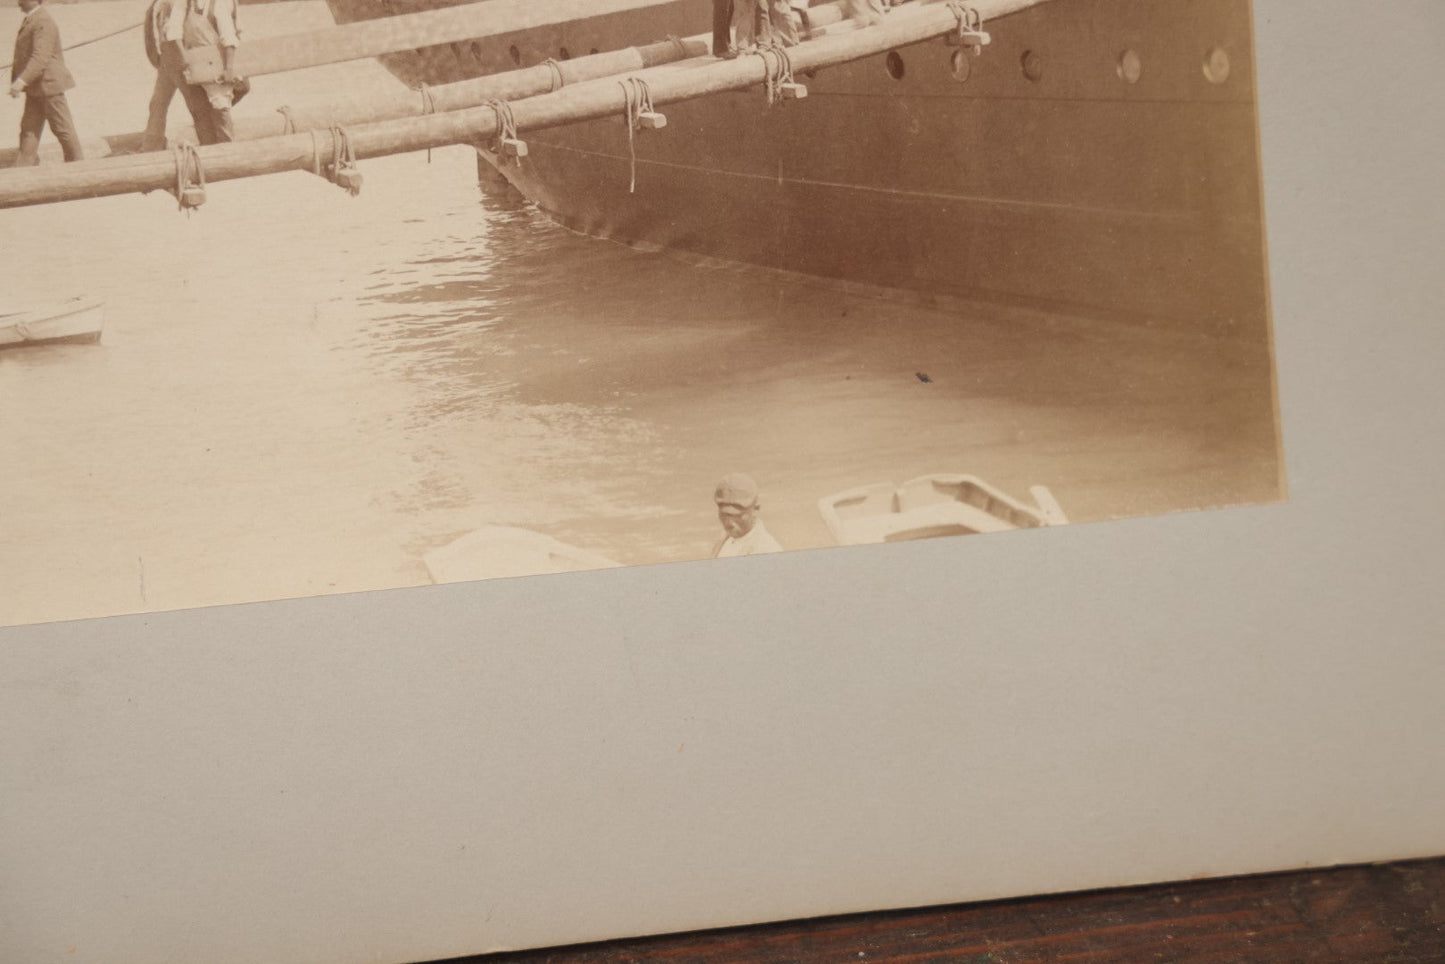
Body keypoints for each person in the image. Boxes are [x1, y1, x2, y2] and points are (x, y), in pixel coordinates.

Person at [8, 0, 83, 166]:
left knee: (62, 129)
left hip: (49, 86)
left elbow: (40, 57)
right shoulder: (32, 19)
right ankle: (22, 171)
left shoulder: (43, 20)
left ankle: (78, 167)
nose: (19, 1)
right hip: (36, 88)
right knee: (28, 131)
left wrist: (21, 81)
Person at [163, 0, 242, 144]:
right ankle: (208, 150)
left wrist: (229, 68)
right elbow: (173, 32)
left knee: (220, 103)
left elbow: (229, 38)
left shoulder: (218, 4)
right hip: (194, 60)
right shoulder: (184, 5)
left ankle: (226, 148)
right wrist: (183, 55)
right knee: (198, 109)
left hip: (217, 58)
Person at [712, 473, 784, 559]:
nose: (729, 523)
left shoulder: (768, 550)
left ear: (755, 509)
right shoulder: (724, 539)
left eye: (737, 516)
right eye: (725, 514)